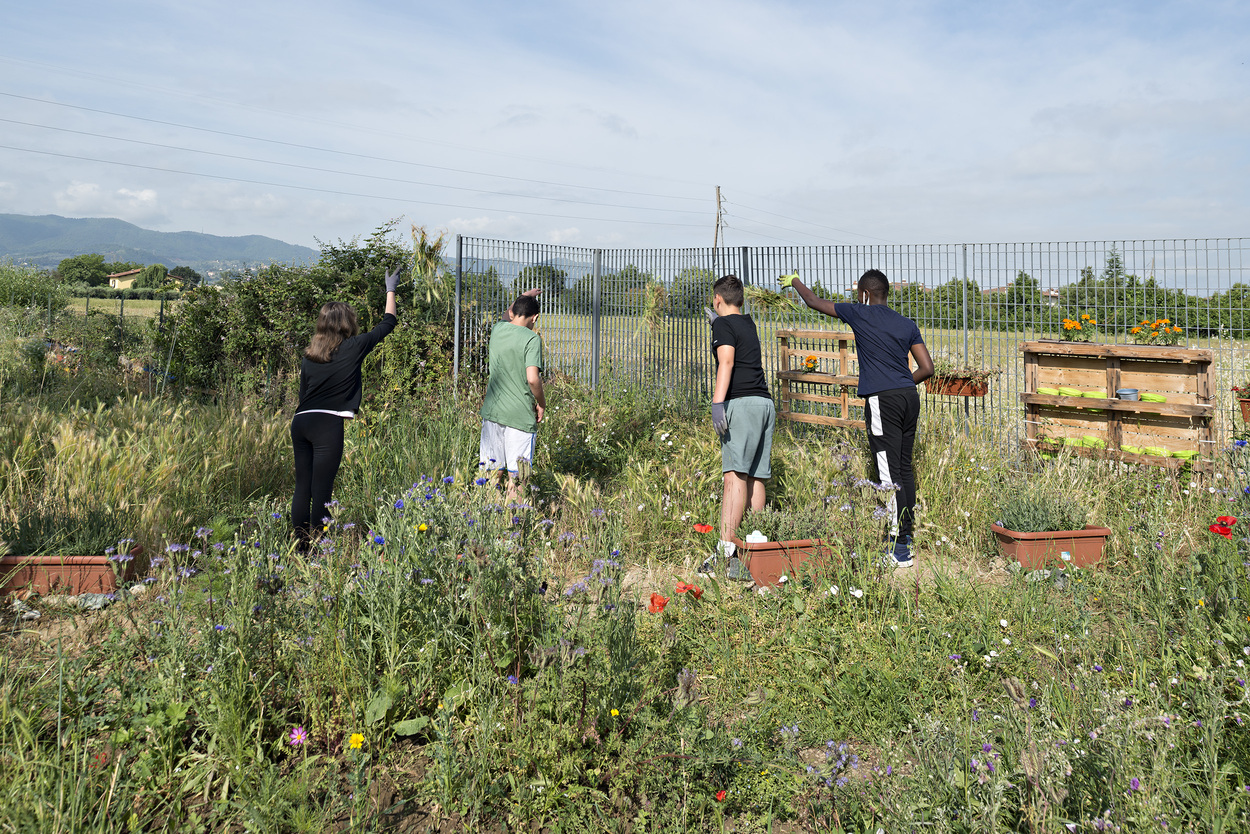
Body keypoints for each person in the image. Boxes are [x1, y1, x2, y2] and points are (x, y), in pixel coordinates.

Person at [780, 268, 933, 567]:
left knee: (888, 474)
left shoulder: (859, 313)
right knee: (904, 468)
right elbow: (927, 368)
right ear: (886, 293)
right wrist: (901, 382)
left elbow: (813, 301)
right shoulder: (907, 324)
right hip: (909, 397)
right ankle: (906, 536)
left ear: (864, 294)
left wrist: (794, 281)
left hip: (882, 400)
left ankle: (898, 549)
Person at [290, 267, 399, 550]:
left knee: (302, 487)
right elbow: (388, 323)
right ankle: (318, 549)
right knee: (321, 490)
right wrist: (390, 289)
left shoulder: (309, 355)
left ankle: (300, 548)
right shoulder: (353, 346)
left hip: (300, 422)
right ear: (347, 323)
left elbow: (302, 396)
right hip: (327, 424)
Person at [703, 274, 775, 580]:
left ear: (717, 299)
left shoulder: (723, 324)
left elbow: (727, 362)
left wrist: (717, 402)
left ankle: (725, 554)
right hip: (764, 404)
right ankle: (753, 553)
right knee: (756, 476)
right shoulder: (748, 322)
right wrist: (718, 325)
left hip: (741, 404)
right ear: (741, 300)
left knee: (734, 477)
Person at [479, 293, 545, 500]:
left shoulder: (498, 329)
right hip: (520, 416)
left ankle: (487, 512)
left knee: (491, 472)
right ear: (534, 317)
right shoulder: (532, 339)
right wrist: (541, 403)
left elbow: (507, 315)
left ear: (511, 312)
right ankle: (514, 517)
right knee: (518, 477)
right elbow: (532, 379)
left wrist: (524, 296)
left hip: (493, 412)